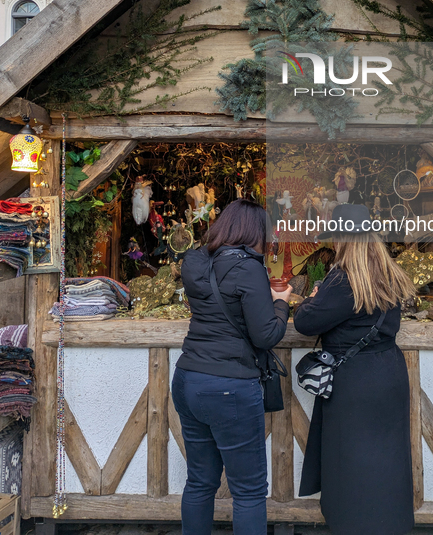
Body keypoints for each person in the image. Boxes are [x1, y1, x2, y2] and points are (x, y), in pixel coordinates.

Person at [294, 203, 416, 535]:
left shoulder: (342, 280)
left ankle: (352, 525)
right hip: (388, 374)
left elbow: (305, 322)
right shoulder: (391, 274)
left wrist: (311, 296)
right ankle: (389, 524)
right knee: (387, 459)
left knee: (351, 462)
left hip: (353, 383)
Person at [172, 198, 292, 535]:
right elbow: (266, 334)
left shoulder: (195, 261)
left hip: (187, 378)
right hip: (229, 386)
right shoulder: (248, 268)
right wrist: (280, 303)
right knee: (249, 492)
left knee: (198, 482)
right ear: (255, 232)